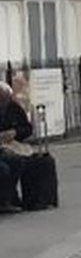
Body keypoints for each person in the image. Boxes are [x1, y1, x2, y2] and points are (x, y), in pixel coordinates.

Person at [0, 81, 33, 214]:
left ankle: (8, 198)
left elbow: (27, 128)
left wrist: (15, 132)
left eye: (4, 99)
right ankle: (5, 199)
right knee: (3, 169)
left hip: (9, 146)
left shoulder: (13, 108)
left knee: (17, 161)